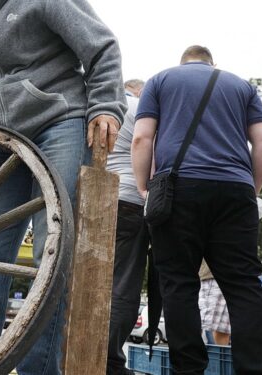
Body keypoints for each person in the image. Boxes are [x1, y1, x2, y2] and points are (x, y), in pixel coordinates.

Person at [0, 0, 126, 373]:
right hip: (4, 138)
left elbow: (101, 46)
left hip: (58, 119)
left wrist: (106, 105)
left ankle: (38, 370)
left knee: (52, 247)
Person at [132, 45, 262, 374]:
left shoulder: (160, 81)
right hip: (237, 190)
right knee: (243, 284)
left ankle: (189, 370)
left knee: (179, 283)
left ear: (182, 62)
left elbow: (142, 138)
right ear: (214, 64)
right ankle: (260, 369)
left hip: (178, 189)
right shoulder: (241, 86)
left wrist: (144, 188)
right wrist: (249, 190)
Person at [105, 79, 153, 375]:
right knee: (123, 283)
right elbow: (148, 149)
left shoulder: (99, 109)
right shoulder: (139, 108)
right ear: (140, 92)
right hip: (130, 200)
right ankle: (110, 360)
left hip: (92, 199)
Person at [198, 260, 231, 345]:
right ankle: (193, 357)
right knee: (201, 325)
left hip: (231, 278)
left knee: (223, 329)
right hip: (210, 276)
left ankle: (220, 358)